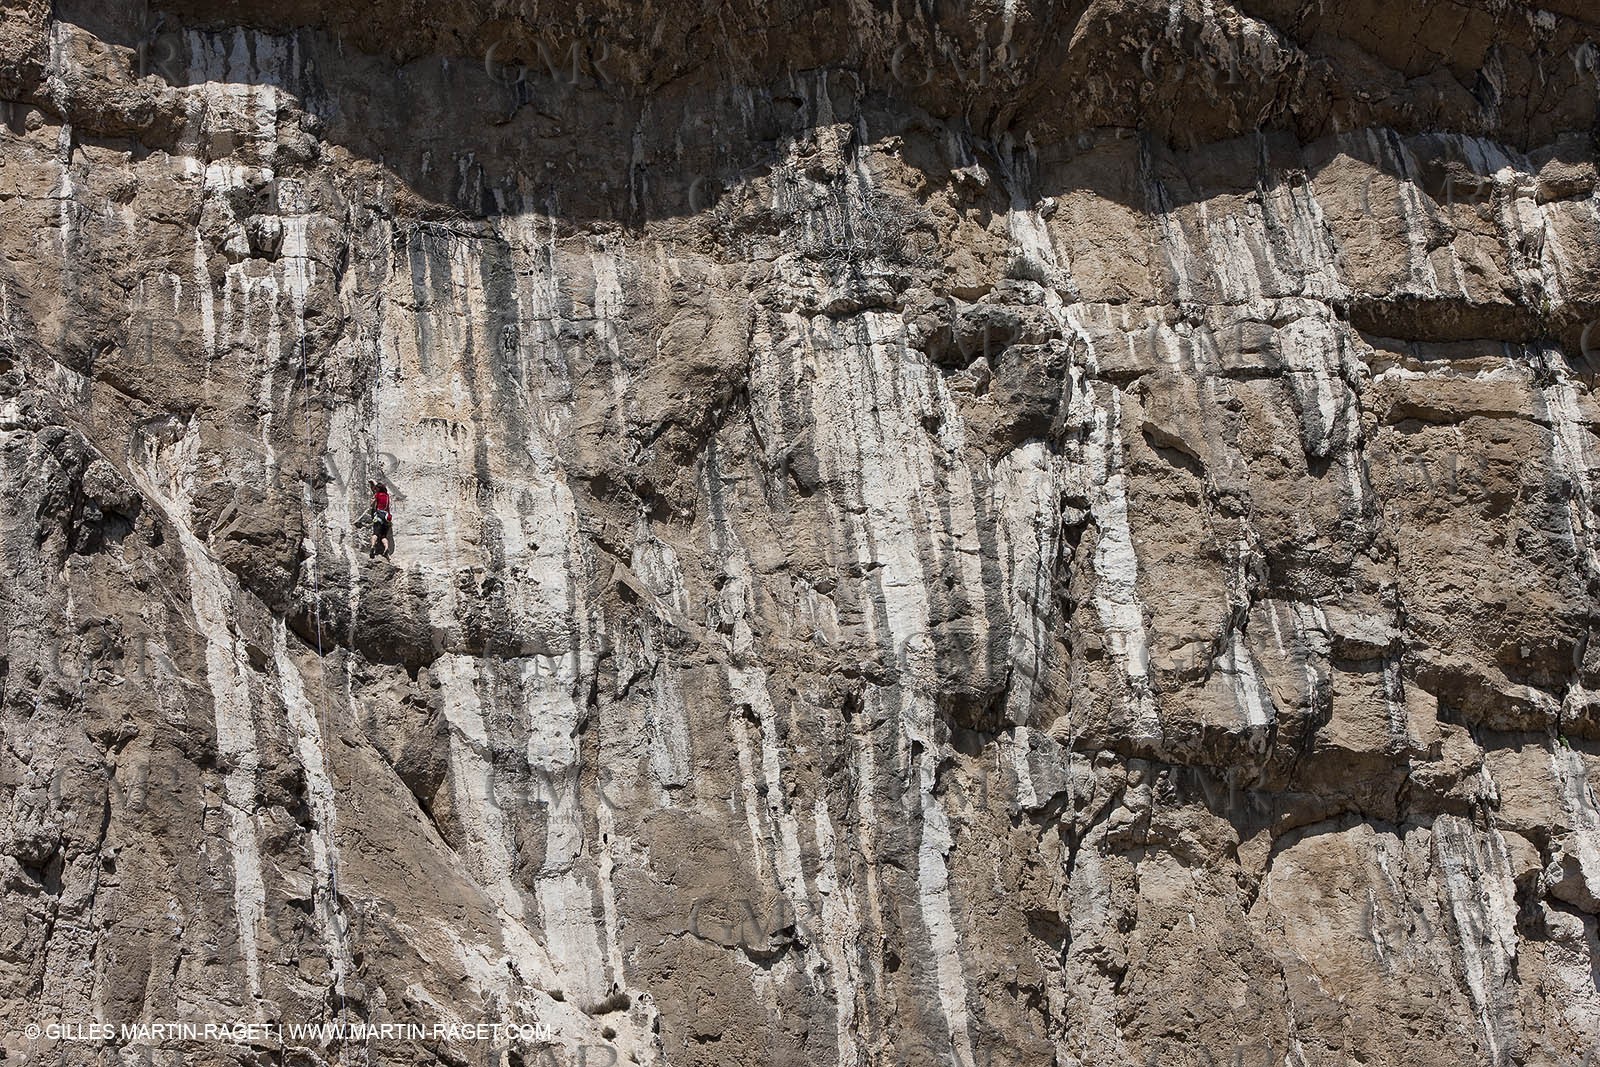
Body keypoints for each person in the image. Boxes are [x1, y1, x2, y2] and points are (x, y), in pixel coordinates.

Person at [368, 480, 392, 559]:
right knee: (383, 536)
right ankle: (386, 548)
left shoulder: (377, 495)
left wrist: (372, 502)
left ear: (378, 489)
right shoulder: (387, 496)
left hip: (379, 517)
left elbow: (372, 504)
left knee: (375, 533)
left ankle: (372, 546)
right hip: (387, 517)